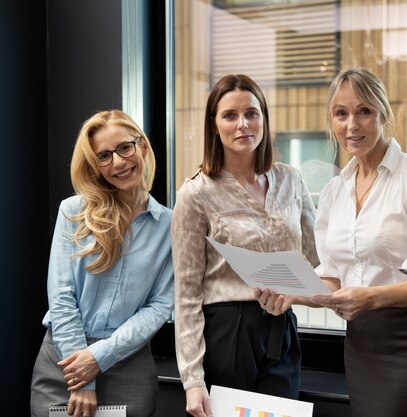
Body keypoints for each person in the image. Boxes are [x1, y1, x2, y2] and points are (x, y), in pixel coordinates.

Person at [257, 67, 407, 417]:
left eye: (364, 111)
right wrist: (292, 293)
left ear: (383, 114)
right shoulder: (336, 190)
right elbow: (335, 278)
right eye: (341, 114)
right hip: (361, 345)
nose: (352, 124)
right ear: (332, 122)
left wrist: (369, 297)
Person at [171, 74, 319, 417]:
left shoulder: (290, 179)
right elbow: (187, 294)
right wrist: (192, 381)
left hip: (282, 326)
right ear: (214, 124)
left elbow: (317, 260)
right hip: (228, 333)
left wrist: (299, 293)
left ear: (264, 118)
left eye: (252, 113)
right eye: (230, 115)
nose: (243, 124)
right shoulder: (195, 193)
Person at [30, 110, 175, 417]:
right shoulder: (72, 212)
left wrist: (98, 357)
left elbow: (160, 306)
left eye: (125, 147)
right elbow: (61, 297)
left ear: (143, 147)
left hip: (129, 363)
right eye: (104, 156)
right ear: (95, 165)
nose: (119, 162)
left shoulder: (170, 225)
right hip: (64, 364)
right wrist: (82, 380)